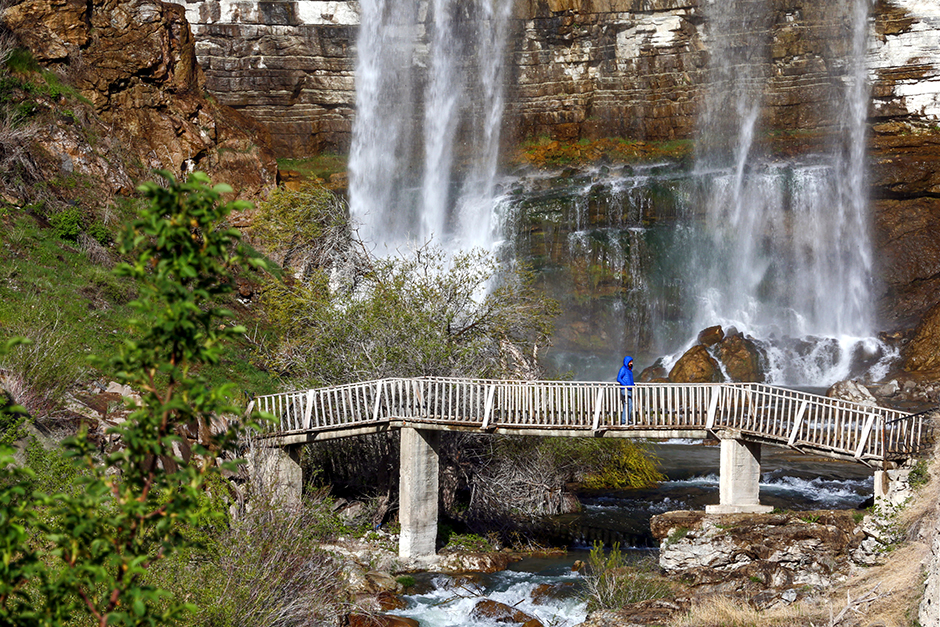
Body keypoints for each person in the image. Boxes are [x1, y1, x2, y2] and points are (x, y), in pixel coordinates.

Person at [617, 355, 634, 425]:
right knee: (628, 404)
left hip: (629, 389)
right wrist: (626, 385)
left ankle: (626, 419)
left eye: (632, 362)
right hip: (625, 389)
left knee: (628, 404)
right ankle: (625, 420)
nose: (631, 363)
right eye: (630, 362)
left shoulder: (629, 370)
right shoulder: (623, 369)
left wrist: (632, 385)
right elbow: (618, 378)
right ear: (626, 362)